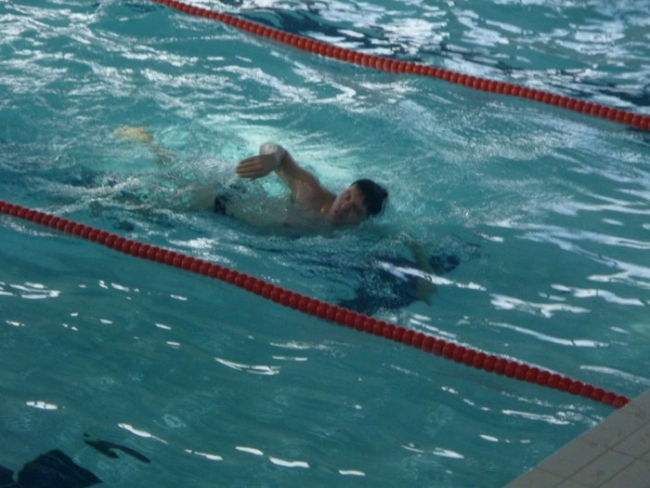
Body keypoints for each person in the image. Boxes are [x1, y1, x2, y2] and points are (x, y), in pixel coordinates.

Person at [234, 142, 388, 226]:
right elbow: (279, 151)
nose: (344, 206)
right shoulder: (311, 192)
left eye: (355, 209)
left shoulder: (358, 233)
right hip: (236, 204)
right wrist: (272, 158)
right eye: (346, 196)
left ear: (364, 220)